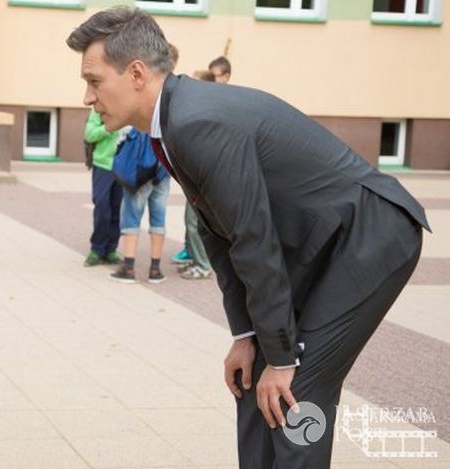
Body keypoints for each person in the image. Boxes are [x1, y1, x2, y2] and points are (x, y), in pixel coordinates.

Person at [67, 7, 429, 468]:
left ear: (136, 73)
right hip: (319, 241)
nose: (86, 97)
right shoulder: (176, 119)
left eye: (94, 81)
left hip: (372, 239)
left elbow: (253, 239)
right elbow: (221, 235)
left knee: (297, 390)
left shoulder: (197, 123)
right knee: (253, 374)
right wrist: (246, 334)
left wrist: (280, 355)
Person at [109, 127, 171, 284]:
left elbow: (125, 137)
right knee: (159, 217)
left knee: (131, 216)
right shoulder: (166, 116)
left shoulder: (139, 116)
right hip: (163, 172)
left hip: (141, 172)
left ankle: (128, 268)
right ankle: (155, 270)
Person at [177, 69, 217, 280]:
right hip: (194, 179)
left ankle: (203, 265)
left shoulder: (206, 111)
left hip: (203, 181)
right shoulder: (199, 108)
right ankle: (197, 260)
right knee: (191, 223)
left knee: (194, 224)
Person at [84, 109, 124, 267]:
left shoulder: (127, 107)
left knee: (117, 209)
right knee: (102, 207)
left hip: (123, 166)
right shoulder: (99, 109)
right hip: (103, 165)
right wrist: (108, 128)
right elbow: (89, 134)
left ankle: (111, 249)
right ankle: (97, 249)